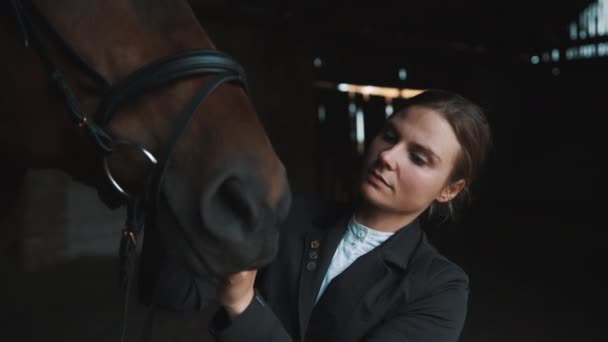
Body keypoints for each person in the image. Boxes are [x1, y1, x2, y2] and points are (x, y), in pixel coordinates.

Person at [139, 88, 492, 341]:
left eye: (418, 157)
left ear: (450, 189)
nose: (388, 156)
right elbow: (174, 293)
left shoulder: (440, 288)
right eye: (389, 136)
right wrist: (173, 185)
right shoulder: (290, 213)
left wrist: (242, 303)